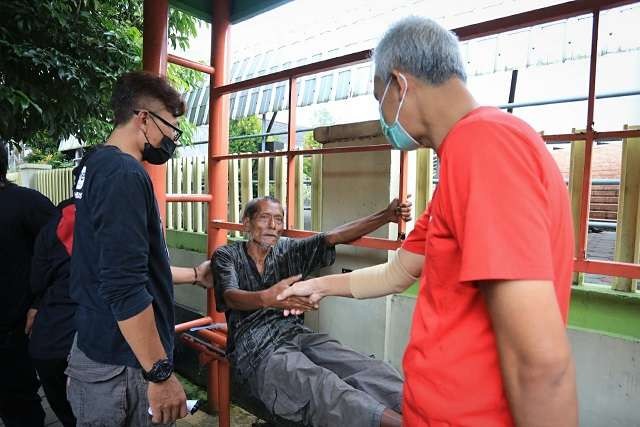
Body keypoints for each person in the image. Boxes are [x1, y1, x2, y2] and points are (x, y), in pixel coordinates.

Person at [278, 16, 578, 427]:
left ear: (400, 86)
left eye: (378, 98)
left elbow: (539, 361)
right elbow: (400, 271)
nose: (384, 118)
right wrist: (319, 285)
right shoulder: (461, 160)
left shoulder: (485, 146)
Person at [66, 71, 212, 427]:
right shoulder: (124, 176)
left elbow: (127, 266)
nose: (173, 140)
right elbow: (124, 286)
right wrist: (160, 375)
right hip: (120, 368)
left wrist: (195, 275)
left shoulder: (94, 164)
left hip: (99, 349)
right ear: (143, 118)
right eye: (171, 128)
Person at [212, 195, 411, 427]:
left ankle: (429, 415)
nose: (273, 226)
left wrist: (386, 215)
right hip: (256, 347)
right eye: (264, 218)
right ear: (247, 223)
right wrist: (267, 298)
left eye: (278, 219)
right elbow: (230, 296)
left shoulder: (289, 251)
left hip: (297, 335)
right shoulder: (227, 255)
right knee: (323, 385)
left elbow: (334, 236)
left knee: (368, 369)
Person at [0, 142, 56, 427]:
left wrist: (39, 303)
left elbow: (63, 256)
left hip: (15, 332)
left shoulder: (27, 204)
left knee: (20, 405)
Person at [28, 198, 77, 427]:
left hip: (49, 343)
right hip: (92, 345)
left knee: (68, 415)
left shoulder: (49, 230)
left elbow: (37, 282)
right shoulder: (110, 225)